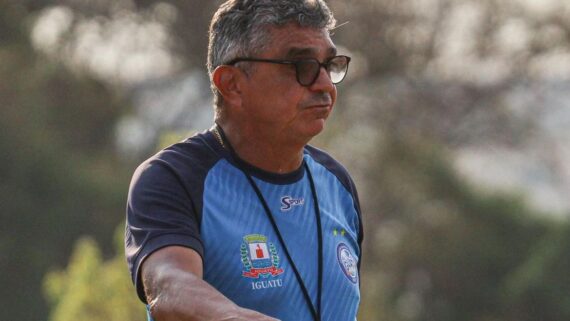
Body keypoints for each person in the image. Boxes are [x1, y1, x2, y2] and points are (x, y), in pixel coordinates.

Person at [125, 0, 363, 320]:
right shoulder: (173, 177)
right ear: (232, 84)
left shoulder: (338, 183)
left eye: (330, 65)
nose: (324, 85)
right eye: (302, 66)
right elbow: (168, 287)